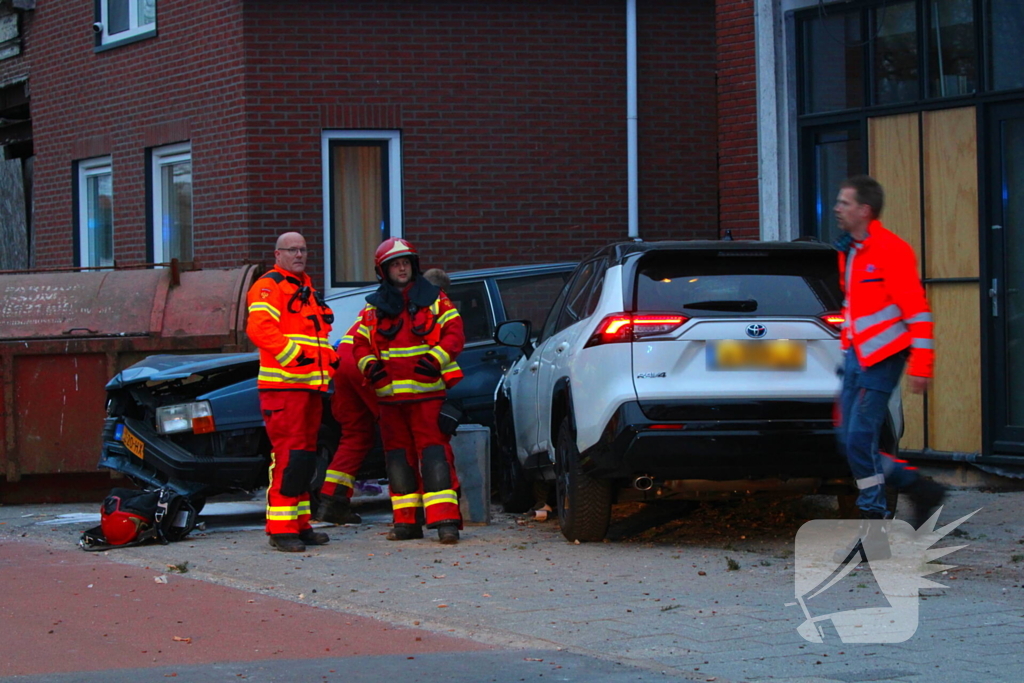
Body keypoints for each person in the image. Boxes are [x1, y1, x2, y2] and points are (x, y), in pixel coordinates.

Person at [833, 175, 946, 533]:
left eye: (845, 203)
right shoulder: (850, 251)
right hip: (856, 360)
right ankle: (920, 487)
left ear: (865, 210)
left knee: (858, 442)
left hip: (881, 360)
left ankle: (875, 528)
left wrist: (922, 366)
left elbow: (918, 311)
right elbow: (855, 308)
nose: (837, 208)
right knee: (848, 442)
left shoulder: (890, 250)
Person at [353, 238, 466, 544]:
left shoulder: (434, 299)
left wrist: (436, 359)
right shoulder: (373, 306)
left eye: (405, 263)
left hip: (427, 395)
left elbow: (455, 334)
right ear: (384, 270)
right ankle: (406, 522)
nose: (401, 268)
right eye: (394, 264)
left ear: (413, 265)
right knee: (398, 460)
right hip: (390, 400)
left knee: (435, 457)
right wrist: (369, 367)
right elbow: (360, 343)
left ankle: (445, 522)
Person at [246, 232, 338, 552]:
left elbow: (315, 335)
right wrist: (292, 357)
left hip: (307, 388)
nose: (299, 254)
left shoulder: (304, 288)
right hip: (284, 388)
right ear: (278, 254)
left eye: (303, 249)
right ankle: (281, 528)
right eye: (292, 250)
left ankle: (299, 524)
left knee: (303, 458)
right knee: (289, 457)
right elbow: (259, 329)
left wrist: (329, 362)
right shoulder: (269, 286)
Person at [316, 313, 377, 526]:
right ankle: (412, 511)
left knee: (355, 434)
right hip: (365, 362)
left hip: (342, 360)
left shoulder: (375, 301)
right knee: (399, 432)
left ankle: (332, 503)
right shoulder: (423, 302)